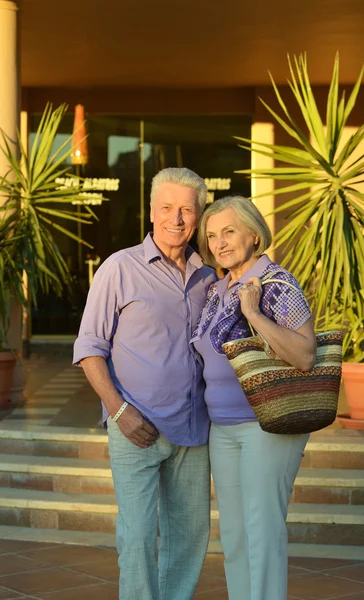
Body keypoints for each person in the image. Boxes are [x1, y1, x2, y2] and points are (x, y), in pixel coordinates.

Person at [73, 167, 216, 600]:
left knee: (190, 537)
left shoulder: (207, 278)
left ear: (198, 217)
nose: (176, 218)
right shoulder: (119, 268)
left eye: (186, 210)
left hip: (194, 431)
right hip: (134, 428)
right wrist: (119, 411)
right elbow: (88, 349)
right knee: (136, 538)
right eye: (167, 208)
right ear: (151, 211)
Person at [191, 195, 317, 600]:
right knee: (235, 535)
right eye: (211, 236)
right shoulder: (217, 289)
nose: (219, 243)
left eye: (228, 231)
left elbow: (304, 354)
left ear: (253, 233)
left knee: (262, 531)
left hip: (267, 424)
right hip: (223, 427)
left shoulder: (277, 283)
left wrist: (255, 315)